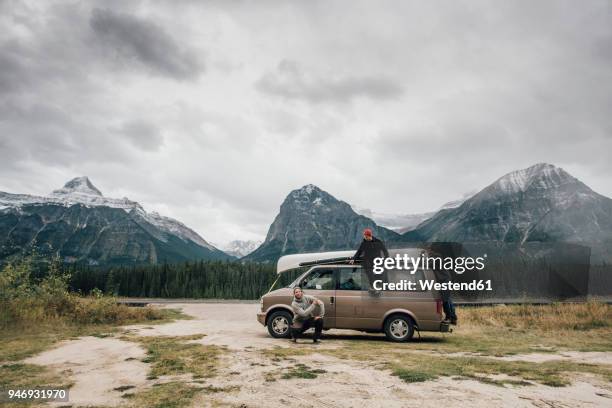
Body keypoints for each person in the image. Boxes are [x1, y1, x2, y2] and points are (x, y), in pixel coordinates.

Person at [349, 228, 389, 293]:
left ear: (368, 236)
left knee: (380, 275)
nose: (364, 237)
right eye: (364, 236)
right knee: (370, 274)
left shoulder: (378, 242)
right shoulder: (364, 243)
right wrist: (354, 258)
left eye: (365, 236)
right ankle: (373, 288)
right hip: (368, 262)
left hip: (377, 262)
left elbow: (385, 251)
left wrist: (386, 259)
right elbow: (359, 252)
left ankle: (383, 288)